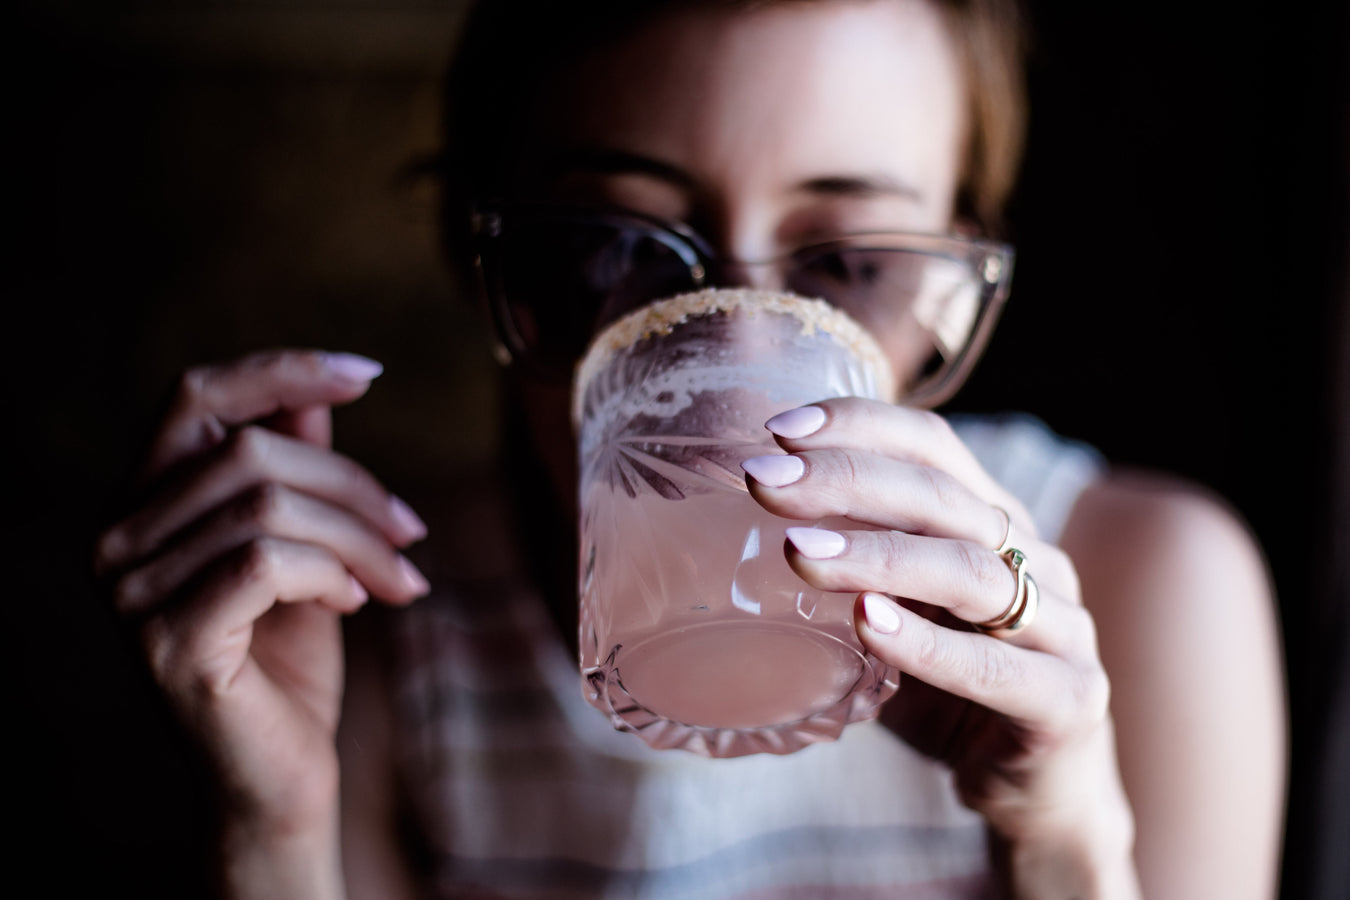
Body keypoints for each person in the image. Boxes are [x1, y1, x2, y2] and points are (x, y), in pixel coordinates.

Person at [93, 0, 1288, 897]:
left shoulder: (1154, 596)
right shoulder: (365, 628)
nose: (742, 362)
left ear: (951, 293)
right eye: (621, 249)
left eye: (851, 265)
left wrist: (1070, 845)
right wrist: (279, 835)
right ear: (485, 258)